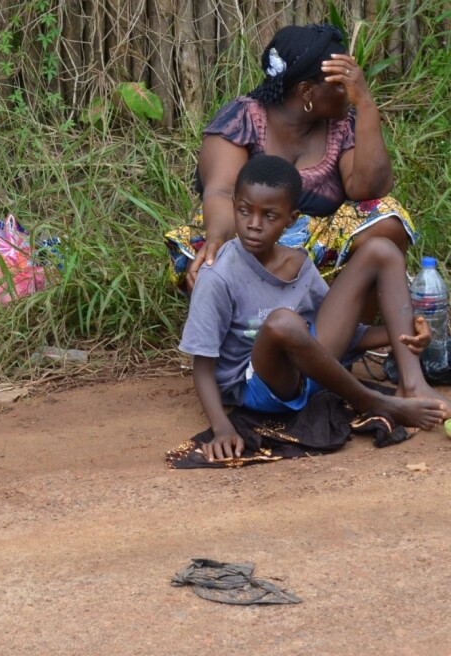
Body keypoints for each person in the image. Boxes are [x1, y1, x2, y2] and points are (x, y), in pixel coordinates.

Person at [178, 155, 448, 463]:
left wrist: (401, 333)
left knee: (382, 250)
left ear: (290, 219)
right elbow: (202, 365)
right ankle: (373, 401)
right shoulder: (218, 275)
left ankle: (413, 384)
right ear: (234, 206)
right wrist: (222, 427)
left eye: (269, 215)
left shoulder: (299, 263)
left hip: (313, 369)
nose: (253, 225)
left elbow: (339, 335)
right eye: (244, 211)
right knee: (283, 323)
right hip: (260, 387)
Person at [167, 23, 415, 297]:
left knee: (386, 219)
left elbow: (369, 189)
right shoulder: (242, 119)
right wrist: (217, 242)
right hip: (247, 243)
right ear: (307, 91)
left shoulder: (341, 125)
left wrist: (367, 105)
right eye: (344, 85)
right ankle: (252, 319)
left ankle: (350, 326)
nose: (352, 91)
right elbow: (222, 192)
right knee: (207, 257)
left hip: (315, 255)